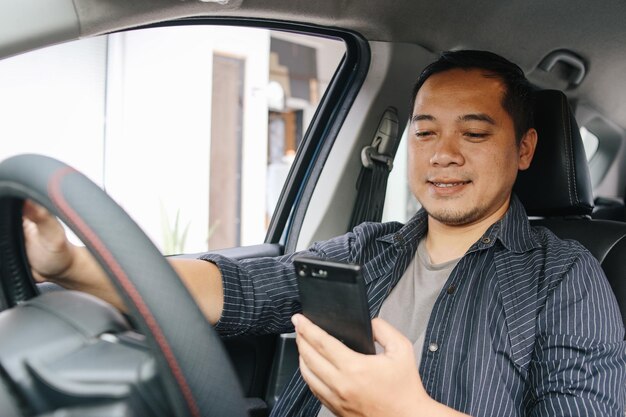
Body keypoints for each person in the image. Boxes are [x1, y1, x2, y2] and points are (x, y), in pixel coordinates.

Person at [23, 50, 626, 417]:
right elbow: (233, 288)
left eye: (473, 133)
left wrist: (404, 409)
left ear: (523, 149)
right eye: (423, 132)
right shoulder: (370, 248)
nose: (442, 154)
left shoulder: (567, 279)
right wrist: (70, 263)